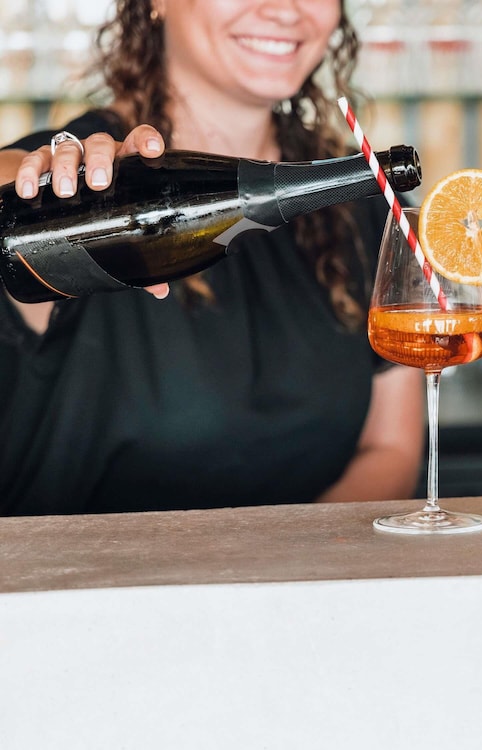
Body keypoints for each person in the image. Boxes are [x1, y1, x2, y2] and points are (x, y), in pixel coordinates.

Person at [0, 0, 426, 515]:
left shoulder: (360, 203)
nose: (284, 10)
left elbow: (390, 448)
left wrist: (290, 561)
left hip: (308, 566)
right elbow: (10, 183)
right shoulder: (73, 190)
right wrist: (36, 187)